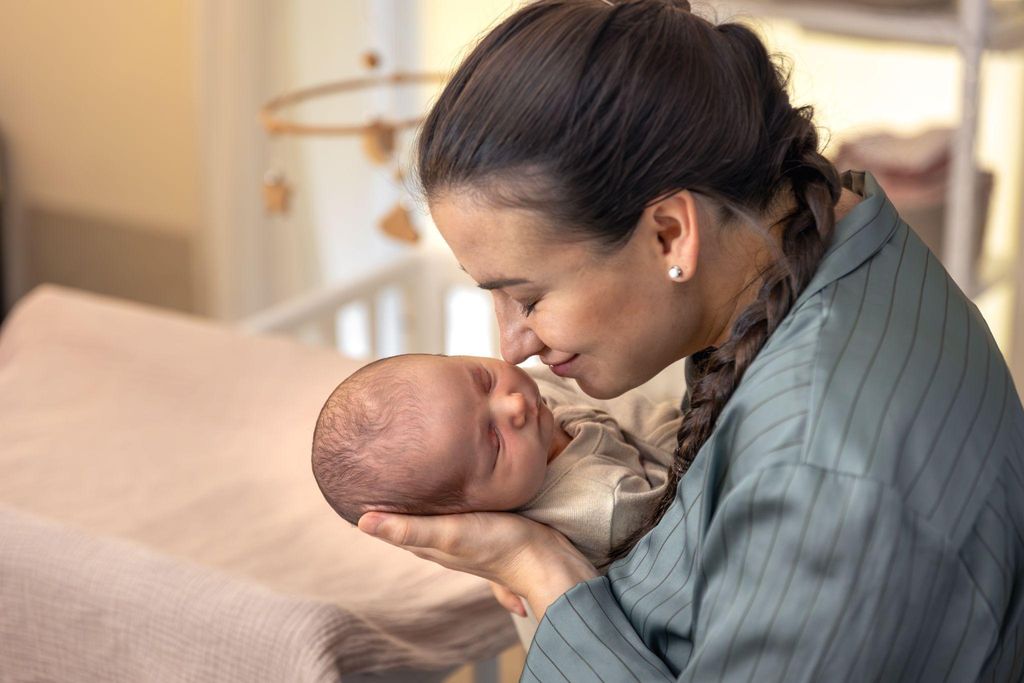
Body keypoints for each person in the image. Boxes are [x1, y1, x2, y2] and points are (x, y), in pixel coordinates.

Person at [355, 0, 1024, 679]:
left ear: (671, 233)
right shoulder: (832, 245)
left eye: (529, 296)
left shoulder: (819, 470)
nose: (512, 347)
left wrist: (535, 568)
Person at [310, 353, 680, 571]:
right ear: (469, 514)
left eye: (484, 380)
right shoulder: (606, 508)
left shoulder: (535, 401)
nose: (514, 404)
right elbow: (691, 479)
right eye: (494, 439)